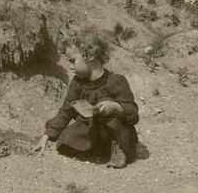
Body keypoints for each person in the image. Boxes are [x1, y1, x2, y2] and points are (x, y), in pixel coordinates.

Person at [35, 29, 139, 168]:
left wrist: (115, 108)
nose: (70, 67)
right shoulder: (77, 83)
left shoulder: (116, 81)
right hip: (94, 133)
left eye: (73, 61)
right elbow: (66, 112)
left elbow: (133, 112)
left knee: (104, 105)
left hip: (119, 135)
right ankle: (98, 152)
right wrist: (47, 136)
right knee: (65, 139)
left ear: (90, 56)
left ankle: (118, 152)